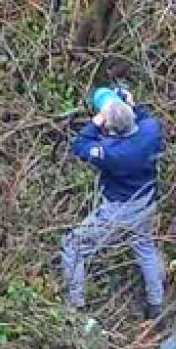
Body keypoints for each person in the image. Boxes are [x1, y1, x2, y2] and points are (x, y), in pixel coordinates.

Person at [64, 86, 167, 318]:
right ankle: (156, 303)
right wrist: (129, 104)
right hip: (146, 200)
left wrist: (98, 119)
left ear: (111, 129)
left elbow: (79, 146)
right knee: (143, 245)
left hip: (120, 210)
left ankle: (75, 306)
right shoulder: (151, 130)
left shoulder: (114, 153)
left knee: (74, 246)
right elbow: (144, 117)